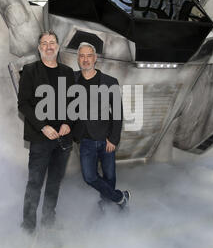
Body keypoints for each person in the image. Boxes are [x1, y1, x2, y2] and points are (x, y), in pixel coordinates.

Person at [18, 30, 75, 234]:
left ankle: (49, 221)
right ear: (39, 48)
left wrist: (68, 122)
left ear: (58, 47)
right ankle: (28, 227)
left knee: (54, 183)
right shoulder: (30, 70)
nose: (49, 46)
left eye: (52, 43)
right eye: (44, 43)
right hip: (40, 138)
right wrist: (43, 126)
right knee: (35, 183)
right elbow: (23, 104)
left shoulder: (68, 72)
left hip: (63, 140)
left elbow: (73, 104)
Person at [73, 42, 130, 212]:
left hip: (106, 139)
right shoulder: (71, 80)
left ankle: (106, 203)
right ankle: (120, 197)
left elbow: (118, 112)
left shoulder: (110, 82)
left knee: (110, 176)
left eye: (89, 56)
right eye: (82, 56)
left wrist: (113, 138)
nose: (85, 59)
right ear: (78, 59)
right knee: (89, 177)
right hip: (85, 140)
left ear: (95, 58)